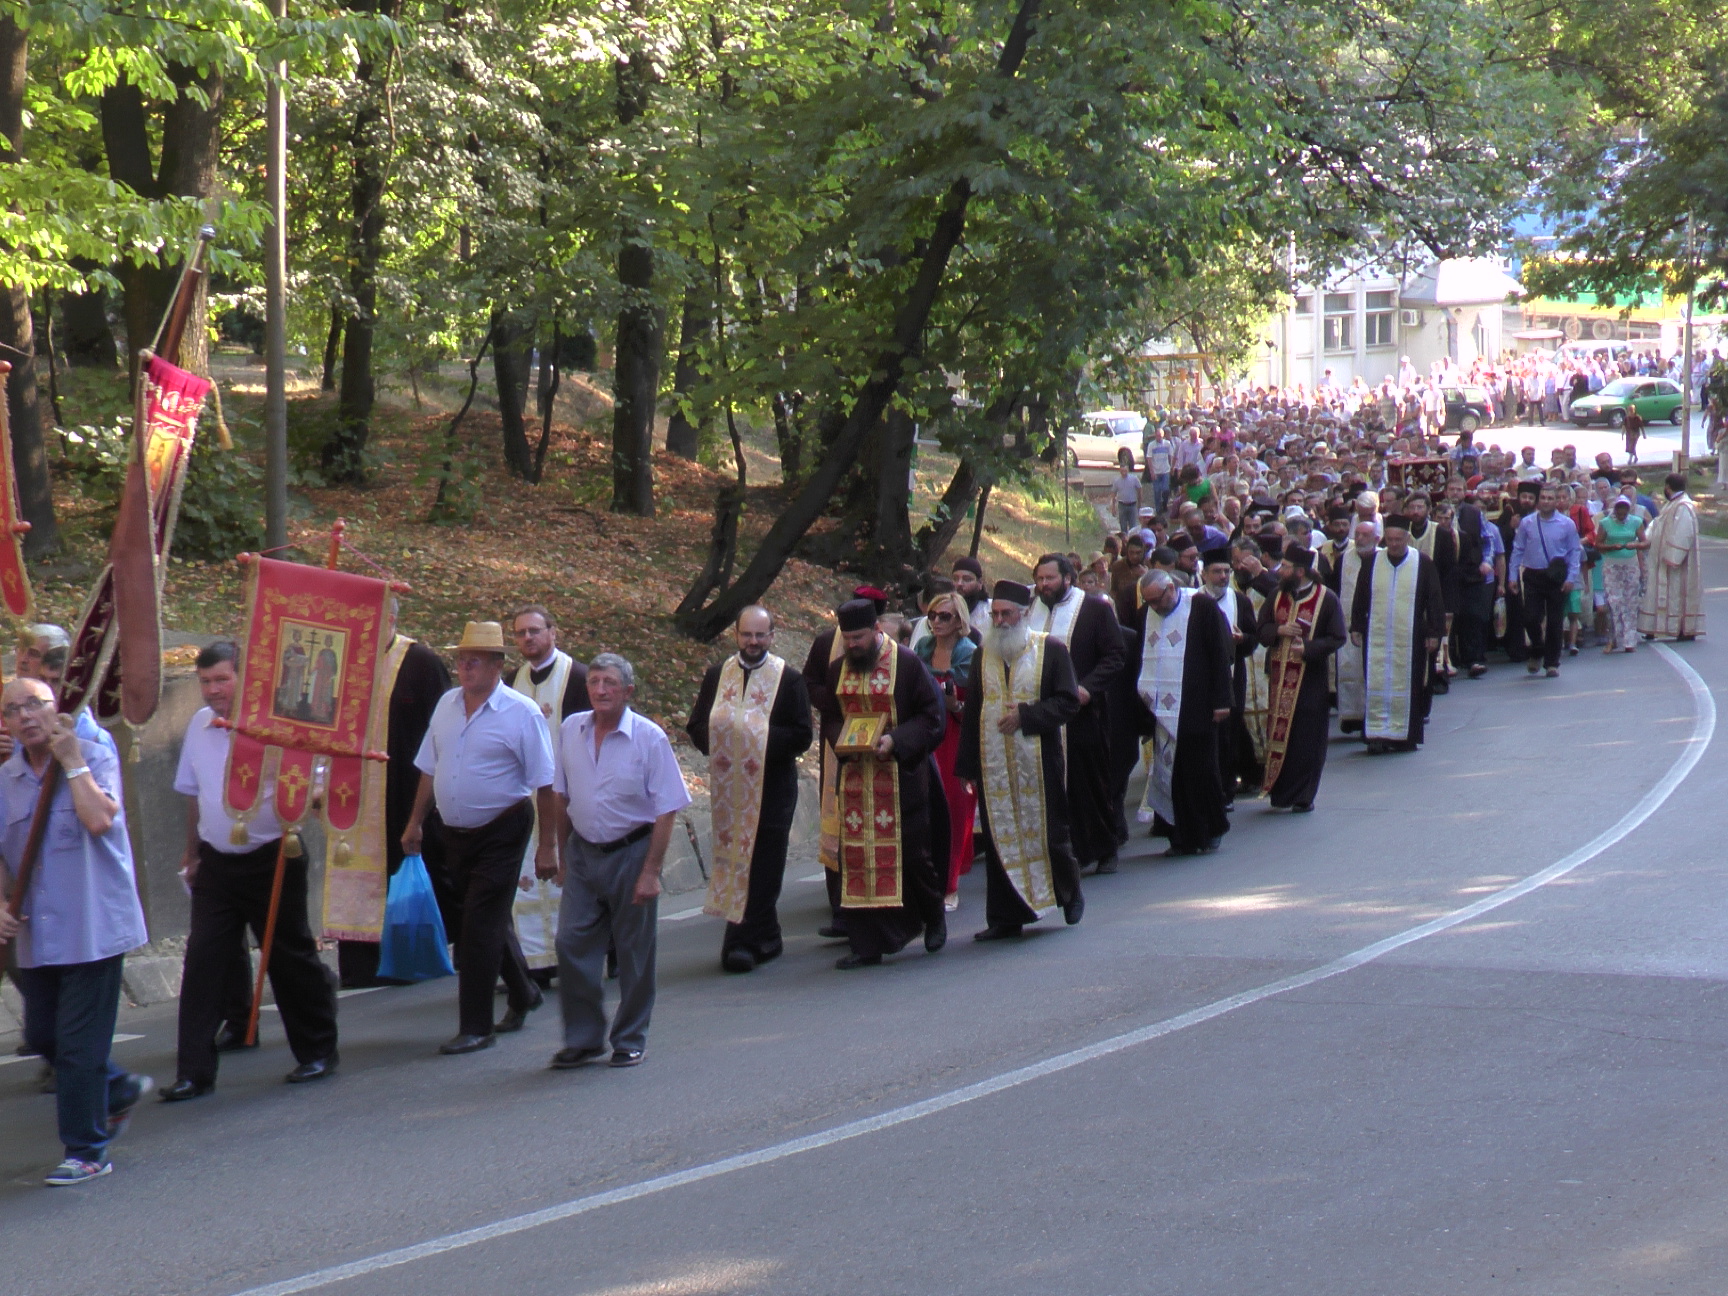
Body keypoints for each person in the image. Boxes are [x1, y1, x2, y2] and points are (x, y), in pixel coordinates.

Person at [162, 640, 339, 1103]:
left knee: (289, 956)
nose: (212, 690)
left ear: (245, 677)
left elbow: (316, 790)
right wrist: (192, 853)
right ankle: (194, 1071)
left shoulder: (279, 725)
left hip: (273, 854)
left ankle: (317, 1050)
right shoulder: (200, 726)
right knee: (202, 962)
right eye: (204, 682)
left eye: (221, 679)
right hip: (217, 862)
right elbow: (192, 794)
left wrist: (298, 801)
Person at [0, 677, 152, 1185]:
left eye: (35, 705)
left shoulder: (92, 752)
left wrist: (72, 762)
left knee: (79, 1044)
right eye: (13, 710)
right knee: (43, 1033)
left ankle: (87, 1149)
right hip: (40, 931)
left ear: (55, 709)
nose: (26, 717)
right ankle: (114, 1091)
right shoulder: (7, 780)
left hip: (93, 925)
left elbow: (98, 819)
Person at [402, 621, 556, 1055]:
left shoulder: (520, 712)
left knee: (478, 927)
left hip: (503, 828)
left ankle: (476, 1025)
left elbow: (544, 782)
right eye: (461, 661)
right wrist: (415, 821)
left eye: (474, 661)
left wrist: (547, 847)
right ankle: (524, 992)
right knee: (482, 917)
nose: (465, 668)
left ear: (496, 665)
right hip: (454, 833)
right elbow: (428, 767)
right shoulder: (447, 705)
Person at [550, 654, 691, 1068]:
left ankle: (630, 1037)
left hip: (632, 852)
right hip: (583, 852)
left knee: (633, 953)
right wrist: (561, 854)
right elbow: (561, 795)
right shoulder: (570, 730)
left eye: (610, 682)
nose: (600, 690)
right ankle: (584, 1037)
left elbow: (667, 808)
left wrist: (650, 871)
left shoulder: (649, 738)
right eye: (594, 682)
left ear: (628, 691)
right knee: (570, 942)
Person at [816, 598, 947, 968]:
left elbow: (930, 715)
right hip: (856, 779)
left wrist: (895, 741)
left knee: (912, 857)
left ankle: (933, 916)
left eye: (858, 637)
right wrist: (843, 741)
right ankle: (866, 943)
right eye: (847, 638)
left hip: (901, 777)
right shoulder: (838, 668)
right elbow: (828, 716)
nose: (852, 644)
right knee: (856, 860)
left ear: (875, 630)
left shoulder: (905, 663)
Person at [956, 581, 1084, 940]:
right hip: (994, 763)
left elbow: (1068, 702)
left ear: (1024, 614)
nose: (999, 620)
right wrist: (966, 767)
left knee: (1050, 835)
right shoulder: (984, 654)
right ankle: (1004, 918)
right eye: (995, 614)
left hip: (1039, 762)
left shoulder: (1051, 650)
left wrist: (1026, 716)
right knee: (999, 838)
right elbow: (974, 713)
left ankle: (1069, 894)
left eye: (1006, 613)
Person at [687, 607, 812, 972]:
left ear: (772, 635)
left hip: (772, 787)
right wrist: (721, 744)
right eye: (747, 635)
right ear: (736, 635)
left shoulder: (787, 679)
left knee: (765, 865)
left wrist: (754, 741)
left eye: (761, 635)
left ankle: (742, 942)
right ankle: (765, 936)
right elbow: (696, 725)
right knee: (736, 862)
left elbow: (802, 735)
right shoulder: (717, 675)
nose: (753, 642)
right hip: (730, 790)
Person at [335, 609, 454, 988]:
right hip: (351, 793)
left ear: (392, 618)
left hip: (405, 790)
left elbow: (441, 733)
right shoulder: (346, 661)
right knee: (353, 873)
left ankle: (411, 955)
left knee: (413, 872)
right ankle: (360, 964)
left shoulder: (421, 663)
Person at [506, 605, 591, 985]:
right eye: (520, 633)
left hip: (571, 795)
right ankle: (537, 960)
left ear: (553, 632)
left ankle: (585, 954)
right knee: (529, 882)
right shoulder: (512, 681)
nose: (528, 639)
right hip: (527, 798)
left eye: (535, 631)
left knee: (575, 878)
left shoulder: (579, 678)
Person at [1025, 554, 1126, 872]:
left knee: (1089, 782)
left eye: (1050, 579)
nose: (1044, 585)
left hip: (1083, 712)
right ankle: (1062, 852)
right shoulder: (1031, 612)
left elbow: (1115, 654)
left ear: (1067, 578)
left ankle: (1104, 847)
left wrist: (1087, 687)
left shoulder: (1094, 608)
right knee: (1050, 783)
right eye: (1040, 579)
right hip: (1045, 711)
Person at [1133, 569, 1233, 857]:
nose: (1155, 607)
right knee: (1170, 773)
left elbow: (1220, 653)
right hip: (1161, 712)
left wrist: (1221, 701)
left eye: (1157, 600)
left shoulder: (1200, 606)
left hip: (1197, 705)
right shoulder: (1146, 615)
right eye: (1148, 601)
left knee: (1201, 770)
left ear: (1170, 589)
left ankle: (1210, 829)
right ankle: (1180, 836)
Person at [1257, 544, 1346, 811]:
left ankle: (1303, 796)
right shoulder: (1276, 595)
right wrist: (1280, 629)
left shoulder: (1325, 598)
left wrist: (1307, 648)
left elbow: (1337, 637)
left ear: (1299, 571)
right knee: (1282, 734)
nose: (1280, 570)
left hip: (1310, 680)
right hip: (1278, 678)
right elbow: (1261, 629)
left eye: (1285, 567)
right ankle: (1281, 792)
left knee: (1307, 739)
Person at [1349, 515, 1447, 753]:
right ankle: (1377, 734)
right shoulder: (1372, 562)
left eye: (1398, 539)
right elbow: (1360, 596)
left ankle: (1404, 735)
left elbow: (1434, 599)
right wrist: (1356, 627)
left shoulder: (1421, 563)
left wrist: (1435, 632)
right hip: (1377, 636)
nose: (1394, 544)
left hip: (1411, 636)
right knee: (1376, 680)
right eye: (1390, 539)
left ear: (1407, 538)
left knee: (1409, 683)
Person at [911, 592, 977, 907]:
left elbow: (974, 709)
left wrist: (954, 703)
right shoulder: (921, 650)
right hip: (926, 736)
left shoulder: (970, 654)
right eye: (933, 615)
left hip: (956, 736)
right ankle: (924, 882)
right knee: (922, 810)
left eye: (945, 616)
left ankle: (949, 885)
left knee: (953, 809)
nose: (937, 621)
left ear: (959, 621)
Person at [1197, 546, 1258, 809]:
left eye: (1226, 571)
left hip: (1233, 678)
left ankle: (1226, 789)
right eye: (1217, 572)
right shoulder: (1192, 600)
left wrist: (1242, 639)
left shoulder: (1239, 601)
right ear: (1203, 574)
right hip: (1200, 681)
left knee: (1229, 734)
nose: (1222, 576)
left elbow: (1253, 638)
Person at [1508, 483, 1583, 677]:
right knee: (1530, 617)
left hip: (1556, 576)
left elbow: (1574, 551)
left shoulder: (1566, 524)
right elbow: (1518, 549)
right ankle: (1537, 648)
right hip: (1533, 574)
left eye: (1551, 499)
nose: (1547, 502)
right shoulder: (1527, 523)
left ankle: (1552, 662)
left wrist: (1571, 577)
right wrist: (1512, 575)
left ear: (1556, 501)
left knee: (1555, 621)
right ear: (1538, 500)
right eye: (1543, 498)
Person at [1324, 521, 1378, 731]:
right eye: (1359, 534)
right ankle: (1353, 715)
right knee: (1350, 668)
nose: (1362, 539)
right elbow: (1336, 590)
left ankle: (1372, 715)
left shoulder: (1382, 557)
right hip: (1349, 622)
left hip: (1375, 622)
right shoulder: (1344, 559)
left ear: (1376, 538)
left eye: (1366, 535)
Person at [1639, 472, 1704, 640]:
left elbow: (1684, 533)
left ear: (1667, 487)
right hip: (1660, 560)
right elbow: (1658, 524)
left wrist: (1673, 556)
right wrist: (1647, 538)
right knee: (1658, 593)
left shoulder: (1683, 506)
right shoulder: (1672, 504)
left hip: (1677, 563)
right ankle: (1654, 627)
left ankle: (1682, 628)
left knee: (1678, 595)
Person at [1597, 495, 1647, 652]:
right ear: (1615, 509)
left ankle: (1630, 640)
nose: (1622, 512)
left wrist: (1636, 544)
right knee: (1613, 602)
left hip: (1630, 565)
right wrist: (1611, 547)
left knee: (1630, 602)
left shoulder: (1636, 522)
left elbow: (1646, 541)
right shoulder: (1606, 523)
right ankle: (1612, 639)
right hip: (1612, 565)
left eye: (1625, 509)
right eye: (1619, 509)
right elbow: (1598, 544)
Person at [951, 557, 992, 637]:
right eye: (955, 579)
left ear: (980, 583)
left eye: (967, 579)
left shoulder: (990, 611)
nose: (959, 583)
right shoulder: (943, 608)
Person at [1112, 462, 1143, 535]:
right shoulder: (1117, 481)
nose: (1123, 473)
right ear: (1120, 471)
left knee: (1133, 525)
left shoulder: (1134, 479)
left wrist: (1140, 501)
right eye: (1122, 471)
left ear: (1128, 470)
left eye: (1125, 471)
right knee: (1123, 525)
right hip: (1122, 505)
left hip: (1132, 504)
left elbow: (1139, 488)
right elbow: (1113, 493)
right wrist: (1113, 507)